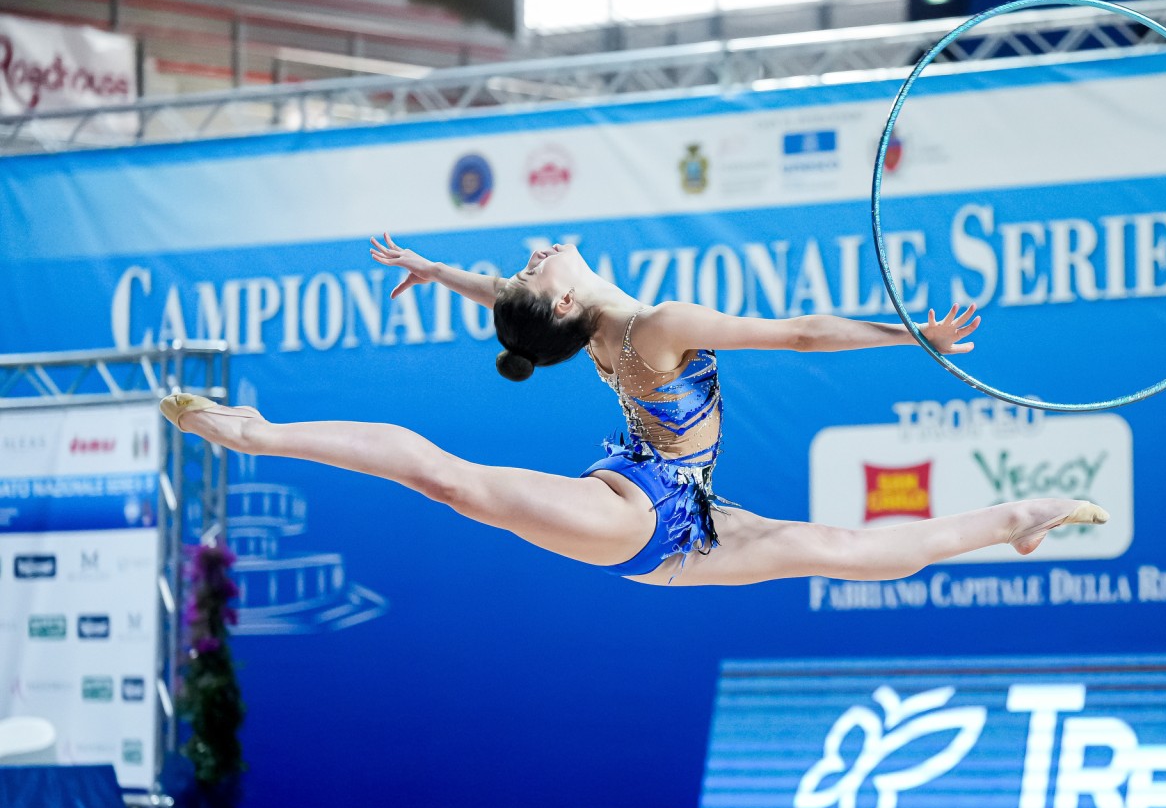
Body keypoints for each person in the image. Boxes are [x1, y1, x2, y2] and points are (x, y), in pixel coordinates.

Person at [159, 235, 1108, 587]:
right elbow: (802, 335)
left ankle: (1019, 519)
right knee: (454, 483)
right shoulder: (657, 329)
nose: (535, 255)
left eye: (526, 267)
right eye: (536, 271)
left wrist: (438, 271)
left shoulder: (587, 331)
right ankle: (259, 434)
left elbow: (512, 303)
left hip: (682, 515)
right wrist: (914, 338)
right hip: (643, 509)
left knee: (850, 552)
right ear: (565, 301)